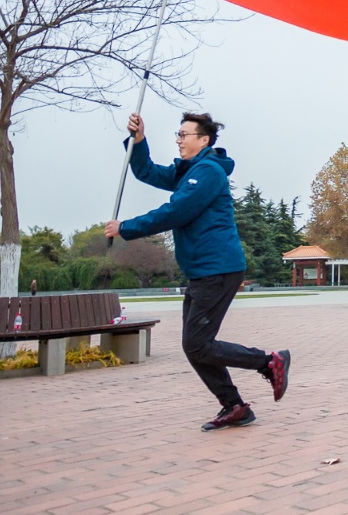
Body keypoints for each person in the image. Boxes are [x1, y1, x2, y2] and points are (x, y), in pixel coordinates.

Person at [106, 112, 289, 432]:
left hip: (218, 269)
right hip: (202, 271)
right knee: (195, 345)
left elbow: (176, 211)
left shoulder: (208, 172)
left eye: (183, 134)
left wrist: (126, 228)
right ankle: (234, 406)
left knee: (197, 344)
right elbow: (146, 171)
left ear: (203, 140)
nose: (178, 140)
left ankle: (269, 362)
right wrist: (138, 141)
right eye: (177, 134)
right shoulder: (187, 171)